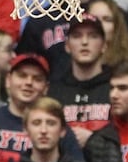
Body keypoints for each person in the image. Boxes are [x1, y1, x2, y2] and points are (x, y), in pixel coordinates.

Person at [47, 15, 113, 147]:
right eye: (77, 36)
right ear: (67, 46)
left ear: (104, 46)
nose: (84, 42)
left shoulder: (116, 87)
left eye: (93, 36)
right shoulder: (54, 91)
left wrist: (94, 140)